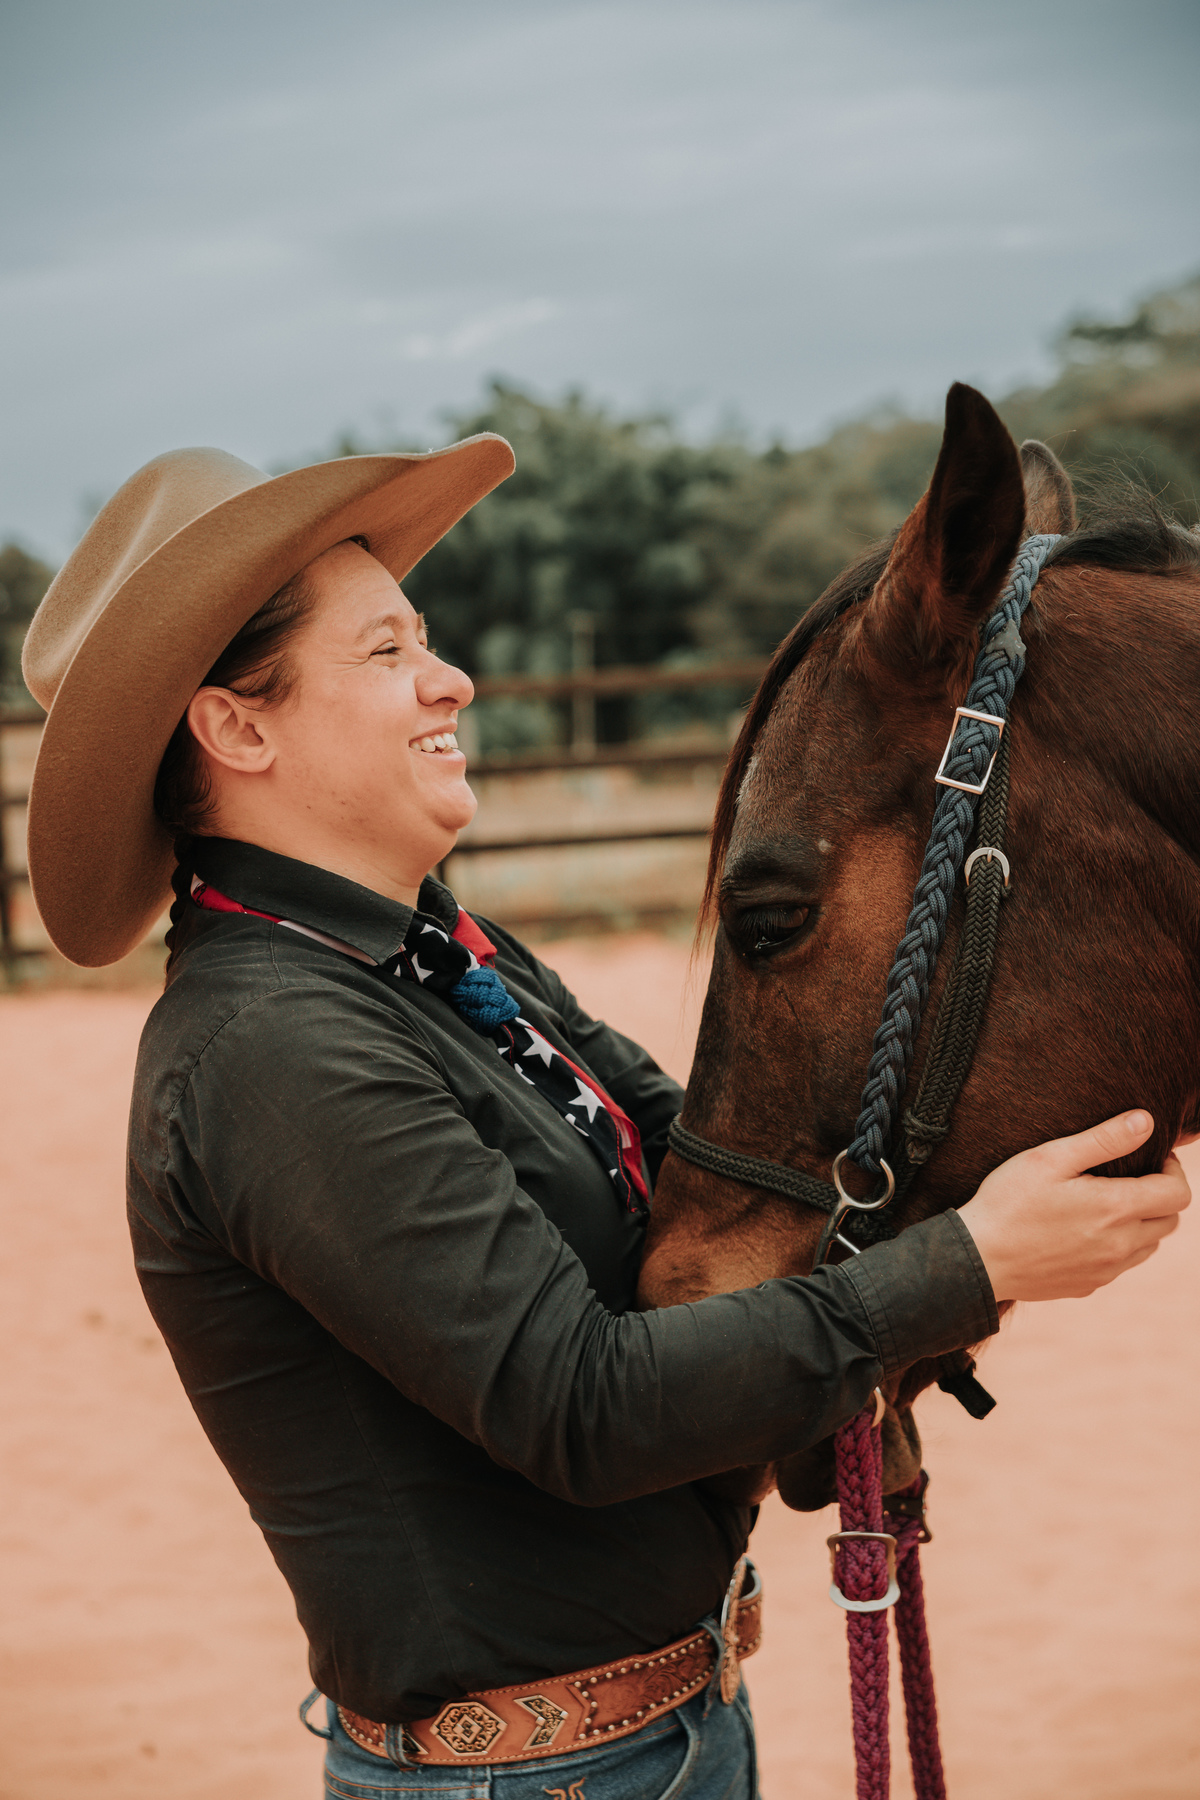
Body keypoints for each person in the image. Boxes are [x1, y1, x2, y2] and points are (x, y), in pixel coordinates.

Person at [21, 437, 1190, 1800]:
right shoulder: (271, 1047)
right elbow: (577, 1407)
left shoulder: (448, 959)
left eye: (429, 639)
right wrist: (967, 1270)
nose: (448, 678)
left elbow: (708, 1159)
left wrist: (897, 1285)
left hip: (651, 1740)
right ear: (239, 727)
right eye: (389, 650)